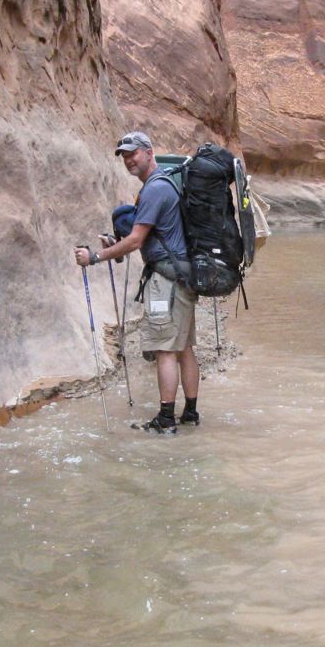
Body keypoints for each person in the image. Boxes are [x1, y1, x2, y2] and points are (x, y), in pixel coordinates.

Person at [73, 131, 200, 434]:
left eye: (133, 153)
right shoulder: (166, 184)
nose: (129, 159)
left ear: (149, 152)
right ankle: (190, 414)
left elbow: (135, 241)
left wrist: (95, 256)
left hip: (166, 282)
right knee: (184, 348)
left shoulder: (155, 190)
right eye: (125, 155)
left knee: (165, 349)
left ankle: (166, 419)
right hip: (182, 276)